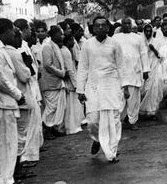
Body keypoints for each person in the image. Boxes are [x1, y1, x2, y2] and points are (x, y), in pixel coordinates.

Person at [77, 16, 127, 163]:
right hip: (93, 86)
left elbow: (121, 66)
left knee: (114, 119)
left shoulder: (114, 44)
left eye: (103, 25)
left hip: (111, 85)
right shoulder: (87, 45)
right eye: (97, 25)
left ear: (107, 27)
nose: (100, 28)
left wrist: (125, 87)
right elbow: (83, 67)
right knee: (92, 121)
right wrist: (80, 89)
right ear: (92, 28)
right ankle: (97, 139)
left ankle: (112, 151)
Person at [0, 18, 26, 184]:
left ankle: (5, 178)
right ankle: (3, 180)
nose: (14, 34)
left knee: (9, 142)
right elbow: (1, 80)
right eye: (12, 30)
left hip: (6, 103)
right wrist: (18, 95)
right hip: (1, 103)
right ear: (5, 31)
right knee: (4, 144)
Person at [5, 29, 38, 179]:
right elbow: (25, 75)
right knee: (20, 135)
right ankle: (17, 169)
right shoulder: (14, 53)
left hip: (17, 97)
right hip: (21, 97)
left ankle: (17, 167)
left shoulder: (7, 52)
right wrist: (28, 65)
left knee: (18, 135)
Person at [112, 17, 149, 129]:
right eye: (124, 23)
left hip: (134, 72)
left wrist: (146, 69)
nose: (127, 25)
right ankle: (117, 121)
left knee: (134, 100)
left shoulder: (138, 38)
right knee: (119, 99)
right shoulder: (115, 37)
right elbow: (111, 54)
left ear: (132, 25)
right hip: (120, 73)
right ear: (121, 25)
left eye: (129, 23)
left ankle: (133, 121)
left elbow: (143, 54)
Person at [41, 25, 68, 137]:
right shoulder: (47, 46)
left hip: (57, 82)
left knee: (56, 107)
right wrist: (61, 73)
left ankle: (52, 128)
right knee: (51, 107)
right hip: (51, 82)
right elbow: (48, 64)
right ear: (54, 34)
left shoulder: (55, 46)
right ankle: (46, 128)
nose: (62, 36)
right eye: (60, 33)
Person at [140, 23, 164, 119]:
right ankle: (140, 110)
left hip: (154, 68)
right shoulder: (140, 42)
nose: (148, 33)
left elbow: (161, 56)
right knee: (144, 89)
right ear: (144, 32)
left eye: (150, 31)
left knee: (153, 89)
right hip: (144, 68)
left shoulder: (156, 42)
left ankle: (152, 112)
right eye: (146, 31)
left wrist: (153, 49)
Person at [61, 34, 84, 134]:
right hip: (71, 82)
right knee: (71, 105)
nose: (73, 43)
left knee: (73, 105)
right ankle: (71, 127)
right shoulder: (66, 51)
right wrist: (76, 84)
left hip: (72, 80)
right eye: (71, 40)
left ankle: (74, 125)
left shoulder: (67, 50)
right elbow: (70, 70)